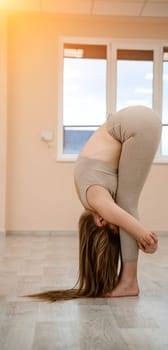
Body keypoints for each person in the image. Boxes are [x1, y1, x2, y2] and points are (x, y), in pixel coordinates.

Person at [27, 106, 161, 301]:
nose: (122, 230)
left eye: (116, 230)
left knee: (127, 204)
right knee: (125, 202)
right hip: (135, 120)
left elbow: (123, 215)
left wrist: (145, 238)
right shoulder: (92, 193)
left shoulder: (94, 199)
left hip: (136, 124)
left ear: (100, 221)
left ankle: (129, 283)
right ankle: (128, 282)